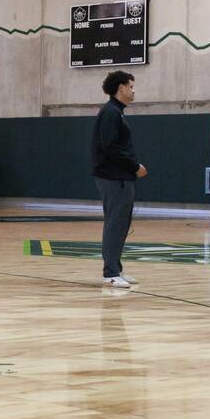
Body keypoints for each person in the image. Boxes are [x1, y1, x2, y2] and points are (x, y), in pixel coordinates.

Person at [91, 70, 147, 289]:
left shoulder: (116, 112)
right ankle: (110, 272)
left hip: (119, 176)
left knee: (122, 224)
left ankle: (116, 268)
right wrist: (134, 167)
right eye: (131, 86)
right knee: (115, 223)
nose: (133, 91)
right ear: (121, 88)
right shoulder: (111, 113)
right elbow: (110, 147)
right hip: (113, 177)